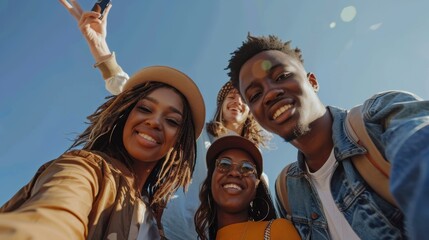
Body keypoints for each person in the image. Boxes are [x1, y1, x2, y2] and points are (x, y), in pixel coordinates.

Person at [58, 2, 272, 239]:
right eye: (230, 96)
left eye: (243, 98)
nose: (236, 101)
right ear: (220, 105)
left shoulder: (255, 168)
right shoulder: (197, 134)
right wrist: (99, 46)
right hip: (167, 228)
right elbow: (132, 94)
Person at [226, 34, 429, 239]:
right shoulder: (286, 189)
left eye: (281, 76)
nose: (269, 94)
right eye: (255, 95)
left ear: (312, 81)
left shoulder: (380, 116)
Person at [0, 65, 206, 239]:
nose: (154, 121)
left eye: (171, 121)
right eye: (144, 108)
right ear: (125, 116)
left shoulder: (157, 221)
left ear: (179, 143)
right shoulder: (84, 169)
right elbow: (49, 221)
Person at [194, 135, 300, 240]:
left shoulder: (277, 230)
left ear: (256, 185)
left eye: (247, 168)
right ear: (211, 178)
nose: (234, 172)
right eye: (224, 164)